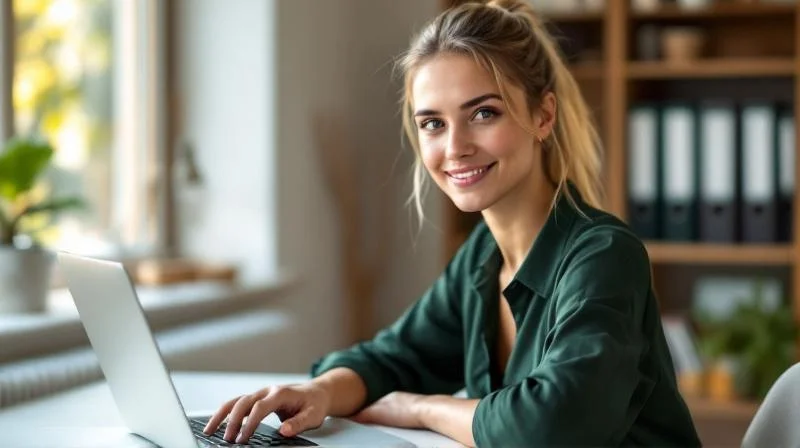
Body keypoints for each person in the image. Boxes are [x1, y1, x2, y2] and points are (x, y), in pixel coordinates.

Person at [204, 0, 702, 446]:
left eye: (483, 113)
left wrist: (422, 408)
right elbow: (396, 357)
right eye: (433, 123)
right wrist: (317, 392)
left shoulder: (603, 255)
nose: (455, 147)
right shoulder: (482, 257)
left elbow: (551, 427)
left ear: (543, 116)